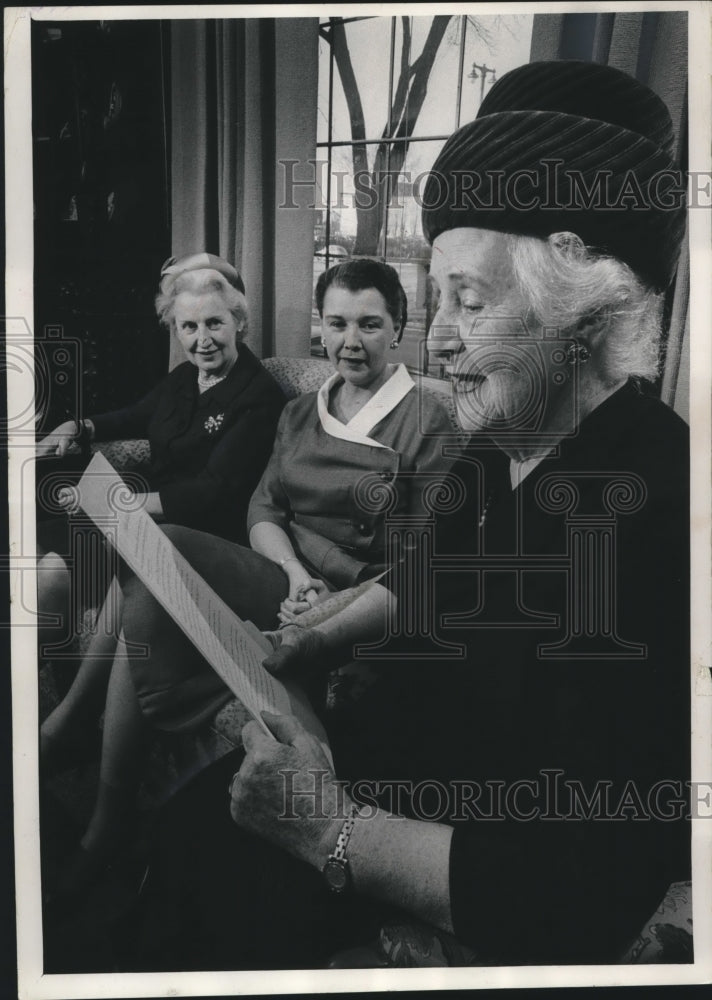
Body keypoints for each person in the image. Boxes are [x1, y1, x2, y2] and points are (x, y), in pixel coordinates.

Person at [121, 62, 689, 969]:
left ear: (578, 312)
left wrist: (331, 830)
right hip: (396, 760)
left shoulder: (653, 514)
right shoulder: (501, 444)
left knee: (217, 885)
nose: (439, 337)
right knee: (194, 827)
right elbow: (435, 576)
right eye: (436, 301)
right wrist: (315, 642)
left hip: (464, 853)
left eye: (468, 298)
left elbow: (577, 888)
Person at [42, 259, 457, 906]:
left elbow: (421, 558)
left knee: (157, 561)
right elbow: (263, 509)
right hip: (281, 569)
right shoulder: (298, 412)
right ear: (319, 327)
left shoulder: (428, 423)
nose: (351, 340)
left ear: (397, 328)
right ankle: (95, 772)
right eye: (338, 323)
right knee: (156, 548)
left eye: (370, 324)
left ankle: (104, 815)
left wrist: (329, 594)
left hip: (351, 599)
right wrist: (291, 568)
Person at [38, 253, 286, 890]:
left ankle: (69, 727)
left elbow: (220, 489)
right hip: (154, 530)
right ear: (174, 332)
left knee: (119, 545)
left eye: (215, 325)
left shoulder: (258, 396)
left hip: (215, 540)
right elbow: (137, 416)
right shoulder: (183, 382)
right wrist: (82, 425)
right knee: (81, 532)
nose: (202, 340)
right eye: (187, 328)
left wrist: (131, 503)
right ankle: (68, 720)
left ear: (239, 324)